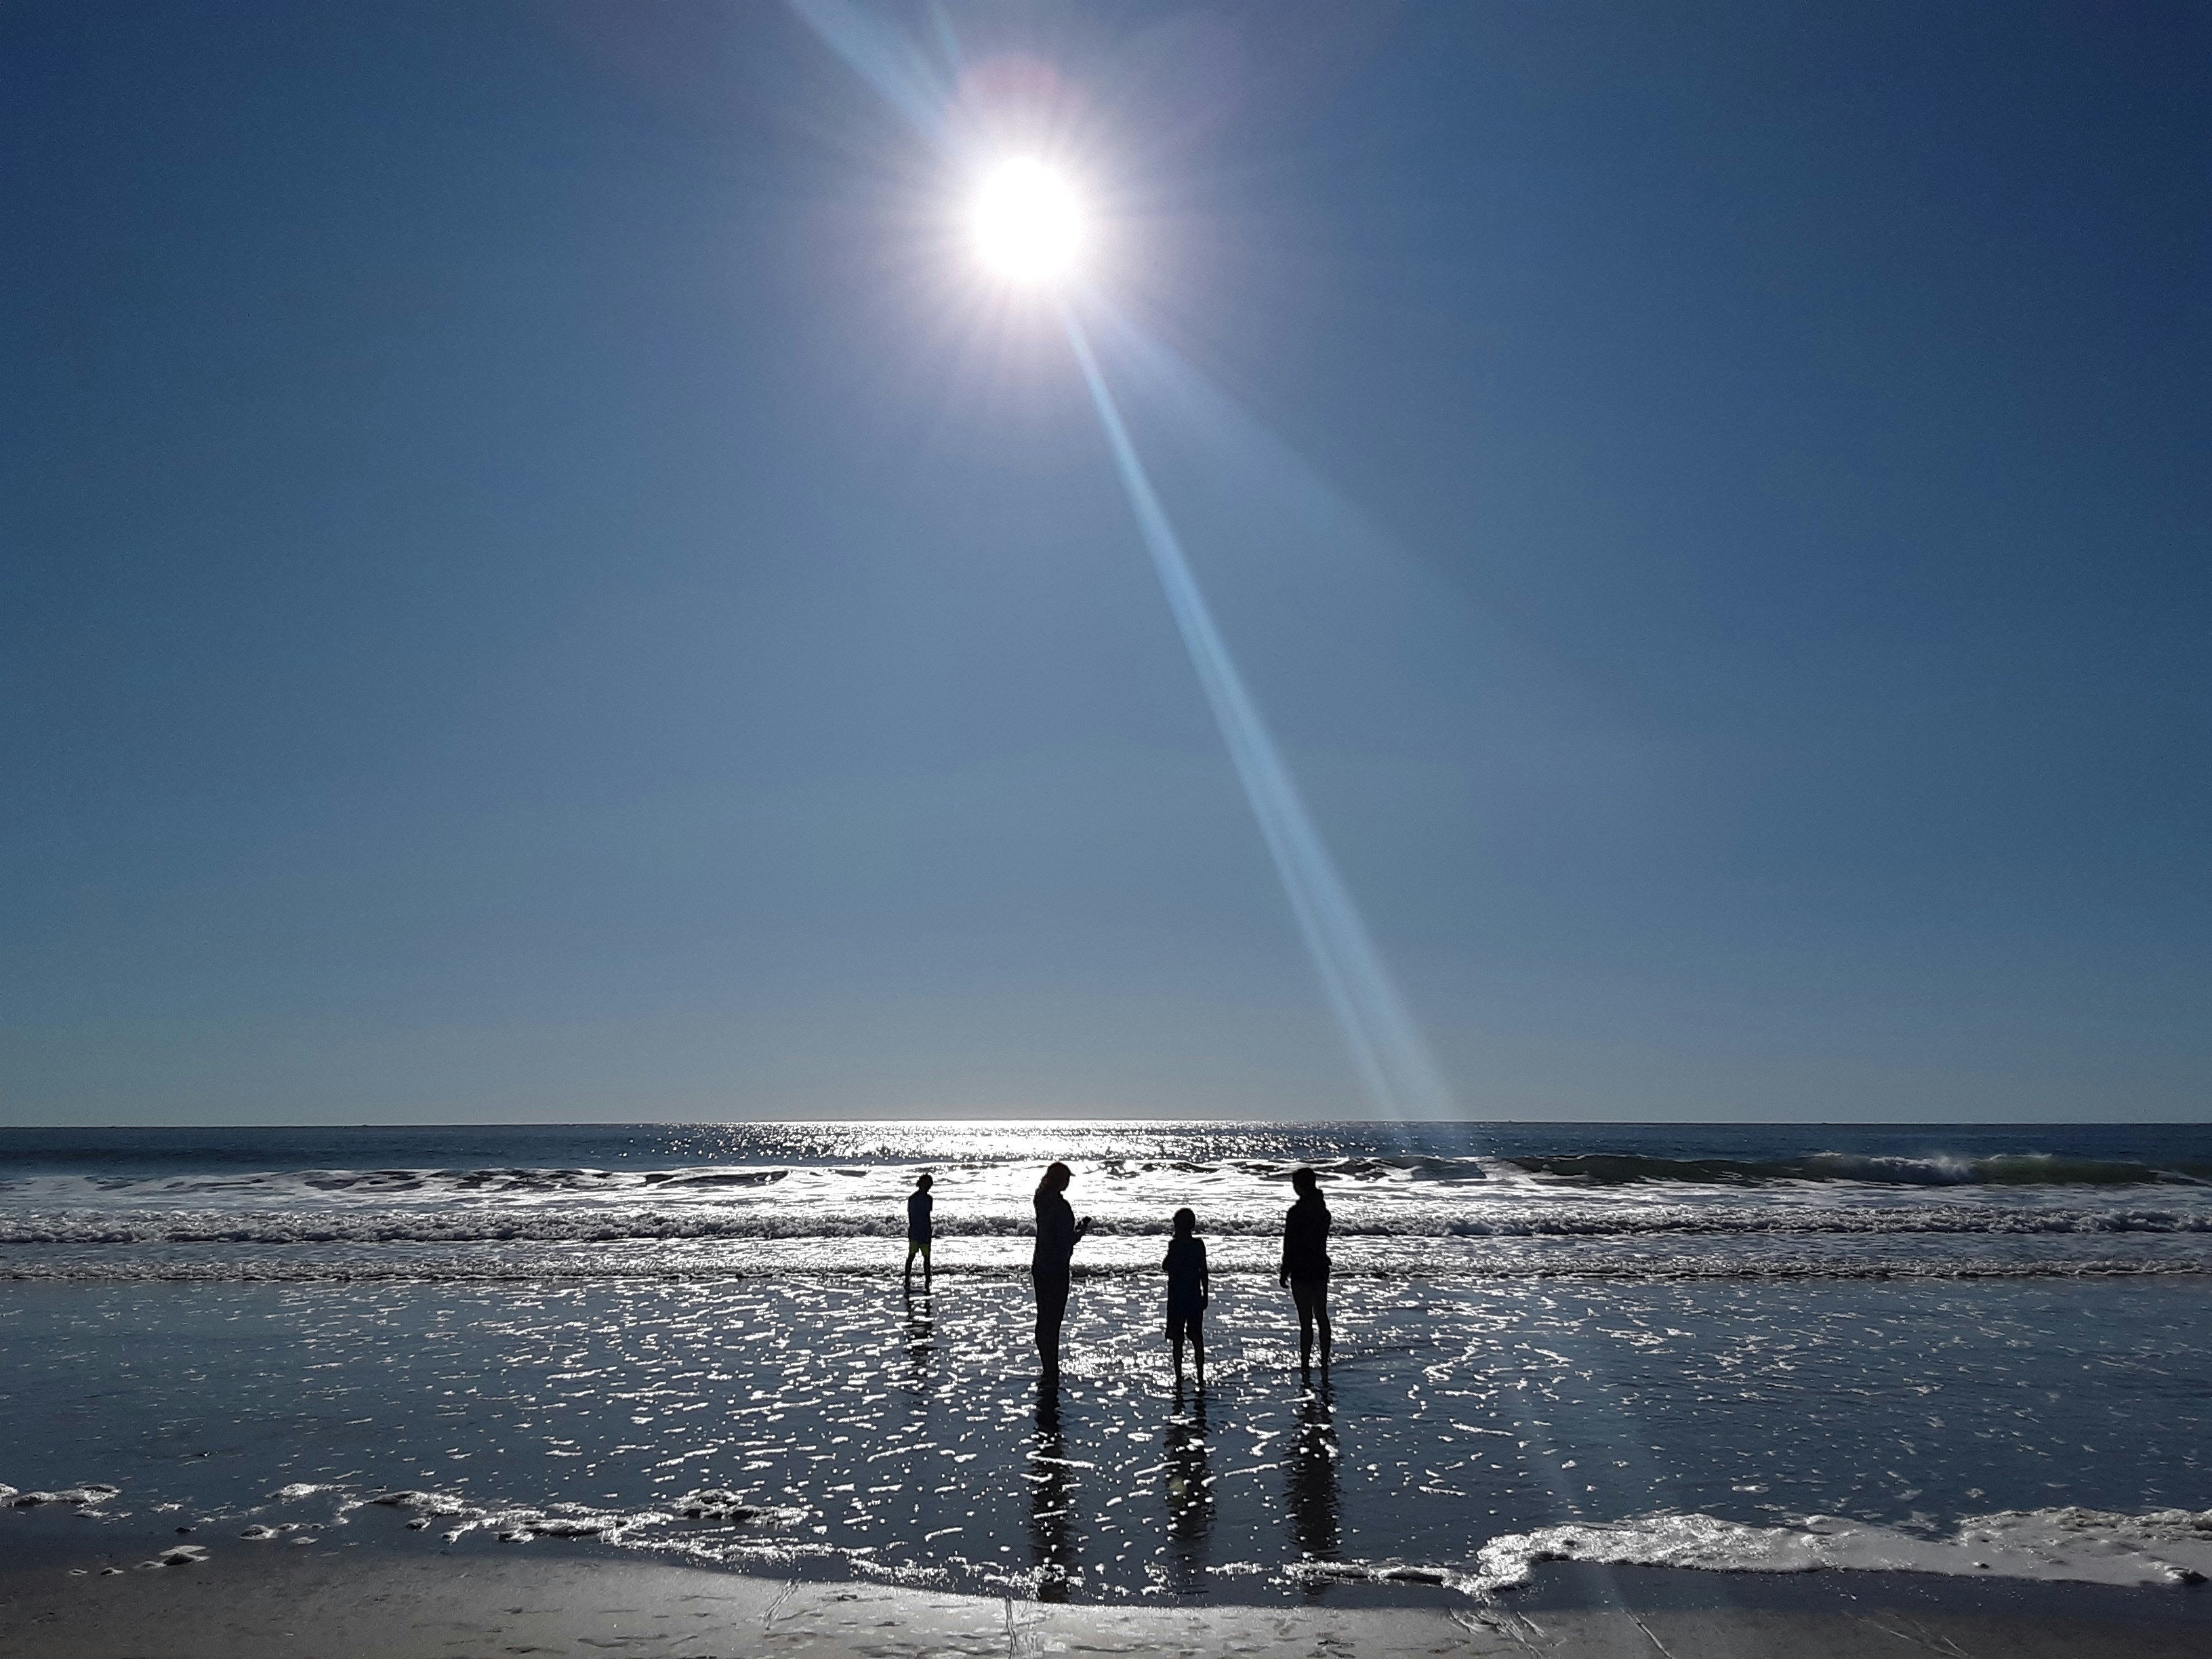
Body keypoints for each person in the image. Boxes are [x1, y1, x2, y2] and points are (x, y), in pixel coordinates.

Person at [1031, 1162, 1090, 1377]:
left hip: (1040, 1263)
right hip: (1057, 1267)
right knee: (1054, 1320)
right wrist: (1081, 1231)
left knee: (1043, 1317)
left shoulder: (1041, 1200)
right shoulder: (1060, 1206)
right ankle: (1052, 1367)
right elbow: (1066, 1240)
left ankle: (1047, 1364)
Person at [1279, 1167, 1332, 1372]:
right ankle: (1325, 1361)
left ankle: (1305, 1363)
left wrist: (1285, 1270)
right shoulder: (1322, 1211)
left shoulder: (1296, 1213)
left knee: (1305, 1320)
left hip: (1301, 1268)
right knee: (1321, 1315)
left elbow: (1289, 1244)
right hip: (1319, 1266)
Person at [1163, 1206, 1210, 1385]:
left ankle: (1178, 1376)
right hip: (1193, 1295)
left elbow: (1165, 1266)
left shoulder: (1175, 1246)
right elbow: (1203, 1271)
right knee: (1197, 1337)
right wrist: (1206, 1294)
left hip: (1177, 1297)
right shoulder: (1198, 1245)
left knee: (1178, 1339)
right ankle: (1200, 1374)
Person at [903, 1172, 934, 1292]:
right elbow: (926, 1215)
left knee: (913, 1256)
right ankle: (926, 1280)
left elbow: (911, 1216)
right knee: (924, 1258)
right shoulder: (928, 1199)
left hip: (917, 1231)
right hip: (923, 1231)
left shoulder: (913, 1199)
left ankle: (909, 1279)